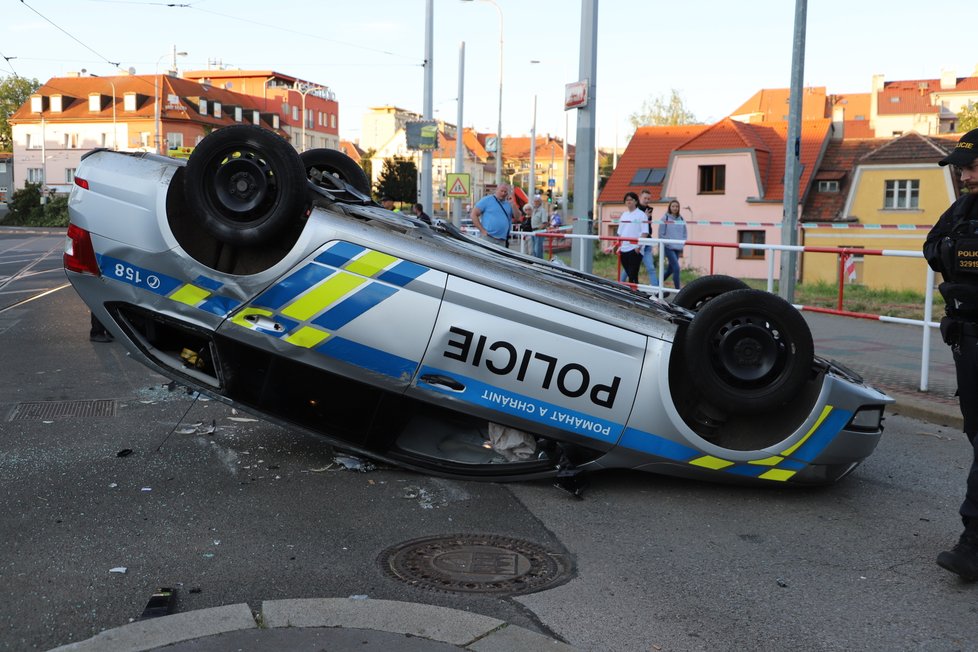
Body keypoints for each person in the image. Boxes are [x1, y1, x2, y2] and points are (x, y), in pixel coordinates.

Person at [923, 127, 978, 581]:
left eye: (972, 166)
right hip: (967, 341)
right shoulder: (961, 210)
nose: (964, 176)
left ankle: (972, 544)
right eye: (961, 168)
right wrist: (955, 251)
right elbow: (931, 247)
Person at [616, 192, 647, 284]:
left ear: (636, 201)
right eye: (627, 200)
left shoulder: (642, 215)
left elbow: (644, 232)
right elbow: (619, 233)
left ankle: (634, 293)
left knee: (633, 274)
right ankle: (633, 292)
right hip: (623, 248)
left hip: (634, 249)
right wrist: (618, 246)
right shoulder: (624, 215)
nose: (628, 201)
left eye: (631, 199)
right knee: (630, 274)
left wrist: (639, 246)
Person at [471, 182, 513, 247]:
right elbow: (473, 214)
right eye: (501, 191)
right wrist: (482, 230)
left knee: (499, 257)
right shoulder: (487, 200)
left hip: (502, 240)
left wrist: (514, 204)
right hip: (488, 238)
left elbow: (517, 217)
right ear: (496, 190)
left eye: (505, 192)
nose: (503, 193)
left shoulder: (508, 204)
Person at [659, 199, 687, 289]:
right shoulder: (665, 218)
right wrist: (666, 242)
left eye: (677, 206)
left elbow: (684, 232)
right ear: (670, 207)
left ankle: (656, 284)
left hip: (678, 247)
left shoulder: (681, 219)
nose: (675, 208)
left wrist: (682, 242)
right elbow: (661, 233)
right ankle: (678, 290)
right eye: (673, 206)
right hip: (669, 247)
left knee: (670, 270)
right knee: (676, 268)